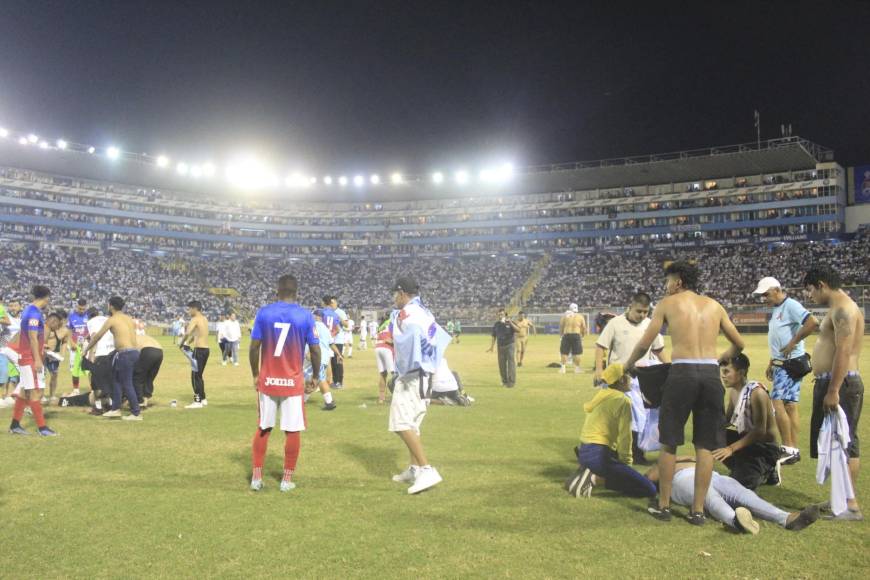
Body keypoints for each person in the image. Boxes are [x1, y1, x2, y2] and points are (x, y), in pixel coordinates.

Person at [625, 261, 744, 525]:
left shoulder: (667, 304)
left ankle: (664, 506)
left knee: (670, 442)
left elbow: (646, 342)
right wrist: (721, 358)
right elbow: (739, 343)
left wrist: (627, 365)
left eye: (668, 281)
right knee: (705, 446)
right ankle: (698, 510)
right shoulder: (715, 305)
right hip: (710, 375)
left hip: (681, 374)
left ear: (678, 282)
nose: (666, 286)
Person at [249, 274, 321, 492]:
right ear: (296, 292)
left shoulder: (264, 312)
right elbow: (316, 350)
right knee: (292, 430)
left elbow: (254, 347)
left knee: (264, 427)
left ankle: (256, 478)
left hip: (268, 381)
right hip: (292, 383)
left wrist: (255, 374)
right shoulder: (305, 316)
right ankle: (286, 480)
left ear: (277, 291)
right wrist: (316, 376)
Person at [804, 266, 864, 521]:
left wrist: (833, 389)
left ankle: (849, 505)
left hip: (842, 385)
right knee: (835, 443)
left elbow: (844, 352)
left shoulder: (843, 309)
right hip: (834, 382)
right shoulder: (839, 307)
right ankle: (839, 500)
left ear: (821, 284)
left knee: (844, 443)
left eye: (810, 290)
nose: (809, 295)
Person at [388, 276, 450, 494]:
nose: (394, 298)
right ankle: (415, 468)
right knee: (413, 423)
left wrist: (405, 368)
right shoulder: (425, 311)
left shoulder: (408, 313)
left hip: (414, 375)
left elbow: (412, 336)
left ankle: (426, 469)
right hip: (426, 372)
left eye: (395, 294)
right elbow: (440, 338)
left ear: (402, 293)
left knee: (400, 423)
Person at [646, 458, 821, 534]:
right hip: (681, 479)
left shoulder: (691, 456)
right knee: (709, 498)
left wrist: (678, 457)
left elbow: (706, 459)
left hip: (713, 475)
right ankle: (735, 521)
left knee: (745, 495)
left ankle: (787, 519)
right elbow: (650, 478)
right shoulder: (660, 464)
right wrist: (672, 460)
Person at [595, 292, 669, 464]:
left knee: (641, 418)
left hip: (643, 378)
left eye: (645, 312)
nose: (642, 315)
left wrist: (671, 367)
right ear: (630, 306)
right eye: (639, 311)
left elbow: (658, 350)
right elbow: (600, 346)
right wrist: (599, 369)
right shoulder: (615, 323)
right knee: (617, 417)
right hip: (618, 379)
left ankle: (636, 453)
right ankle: (609, 450)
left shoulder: (651, 325)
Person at [565, 363, 657, 499]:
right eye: (628, 376)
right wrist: (627, 463)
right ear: (621, 380)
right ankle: (594, 478)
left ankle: (587, 474)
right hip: (599, 455)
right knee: (650, 490)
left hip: (585, 452)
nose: (631, 379)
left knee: (626, 477)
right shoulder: (623, 401)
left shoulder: (601, 395)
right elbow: (626, 437)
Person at [753, 276, 818, 465]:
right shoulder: (778, 309)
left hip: (790, 363)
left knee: (777, 402)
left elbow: (812, 322)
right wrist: (771, 361)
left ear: (776, 289)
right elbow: (777, 339)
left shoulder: (790, 305)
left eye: (766, 294)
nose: (764, 298)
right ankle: (793, 449)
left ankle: (788, 448)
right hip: (783, 362)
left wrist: (793, 342)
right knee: (790, 405)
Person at [712, 354, 782, 489]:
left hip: (765, 447)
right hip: (748, 441)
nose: (723, 376)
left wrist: (730, 448)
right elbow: (727, 420)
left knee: (741, 485)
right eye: (722, 372)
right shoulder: (733, 391)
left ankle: (766, 468)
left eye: (727, 372)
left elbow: (759, 431)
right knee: (713, 434)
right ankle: (743, 467)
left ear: (741, 372)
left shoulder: (757, 393)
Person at [8, 285, 58, 436]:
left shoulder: (29, 310)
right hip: (29, 357)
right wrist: (37, 359)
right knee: (35, 392)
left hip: (26, 355)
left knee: (24, 392)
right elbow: (32, 337)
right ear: (46, 297)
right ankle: (42, 428)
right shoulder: (34, 313)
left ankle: (15, 425)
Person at [83, 296, 142, 421]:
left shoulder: (112, 319)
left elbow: (97, 336)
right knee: (116, 380)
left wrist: (87, 349)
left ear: (111, 306)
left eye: (108, 305)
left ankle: (136, 413)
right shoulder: (129, 319)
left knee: (126, 383)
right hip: (133, 352)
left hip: (124, 353)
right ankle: (115, 409)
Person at [179, 300, 210, 409]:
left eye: (189, 309)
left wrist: (181, 343)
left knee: (195, 376)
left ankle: (197, 402)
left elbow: (188, 332)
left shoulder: (195, 319)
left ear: (194, 309)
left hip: (199, 350)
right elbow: (198, 334)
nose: (188, 311)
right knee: (199, 375)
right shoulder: (204, 319)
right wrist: (188, 343)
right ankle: (203, 398)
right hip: (206, 350)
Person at [84, 306, 115, 415]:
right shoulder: (106, 319)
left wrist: (91, 355)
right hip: (112, 353)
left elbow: (94, 337)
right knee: (109, 381)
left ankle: (98, 408)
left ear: (89, 316)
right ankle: (110, 405)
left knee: (96, 383)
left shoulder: (91, 322)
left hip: (100, 354)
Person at [308, 308, 338, 410]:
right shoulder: (325, 328)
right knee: (311, 379)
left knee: (320, 379)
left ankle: (329, 402)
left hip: (317, 356)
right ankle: (302, 400)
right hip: (325, 357)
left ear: (316, 316)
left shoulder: (313, 326)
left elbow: (311, 341)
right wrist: (338, 354)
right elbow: (331, 343)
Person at [43, 310, 70, 404]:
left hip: (54, 355)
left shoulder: (65, 331)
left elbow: (65, 342)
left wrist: (62, 354)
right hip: (44, 353)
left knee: (54, 375)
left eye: (62, 320)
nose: (60, 322)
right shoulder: (49, 328)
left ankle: (52, 395)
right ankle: (41, 395)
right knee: (42, 375)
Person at [487, 308, 519, 388]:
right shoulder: (496, 324)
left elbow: (518, 330)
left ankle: (511, 383)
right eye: (499, 314)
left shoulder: (510, 322)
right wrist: (491, 347)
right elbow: (494, 336)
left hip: (510, 345)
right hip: (500, 346)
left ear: (505, 314)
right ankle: (504, 381)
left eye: (502, 314)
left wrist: (510, 322)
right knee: (502, 365)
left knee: (511, 364)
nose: (500, 315)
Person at [66, 298, 89, 395]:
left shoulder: (89, 316)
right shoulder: (71, 317)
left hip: (87, 345)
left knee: (90, 368)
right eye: (80, 309)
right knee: (74, 368)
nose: (82, 311)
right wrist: (71, 342)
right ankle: (76, 390)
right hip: (75, 346)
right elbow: (69, 331)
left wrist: (86, 340)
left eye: (83, 309)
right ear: (77, 307)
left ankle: (93, 388)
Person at [133, 333, 164, 407]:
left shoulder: (132, 338)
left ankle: (139, 401)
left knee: (137, 378)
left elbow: (133, 354)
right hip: (160, 352)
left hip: (148, 350)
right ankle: (145, 400)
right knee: (149, 378)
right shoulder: (143, 336)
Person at [559, 303, 586, 374]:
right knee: (577, 353)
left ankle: (563, 369)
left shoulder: (565, 316)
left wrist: (561, 335)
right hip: (576, 335)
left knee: (564, 352)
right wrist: (583, 335)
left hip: (566, 335)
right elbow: (583, 327)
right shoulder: (580, 316)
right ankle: (577, 369)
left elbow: (561, 326)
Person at [374, 313, 394, 405]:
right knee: (395, 374)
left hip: (378, 347)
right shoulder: (392, 323)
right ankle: (398, 396)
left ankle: (381, 399)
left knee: (383, 374)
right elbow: (393, 338)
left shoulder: (381, 325)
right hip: (386, 347)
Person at [330, 296, 350, 385]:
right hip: (330, 340)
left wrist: (339, 318)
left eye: (333, 303)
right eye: (330, 303)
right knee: (332, 361)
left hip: (338, 340)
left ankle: (340, 381)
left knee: (338, 360)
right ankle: (335, 381)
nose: (331, 305)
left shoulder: (341, 312)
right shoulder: (329, 312)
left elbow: (346, 325)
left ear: (336, 303)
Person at [0, 300, 13, 409]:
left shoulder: (1, 309)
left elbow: (8, 322)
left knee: (4, 374)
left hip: (2, 349)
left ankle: (2, 397)